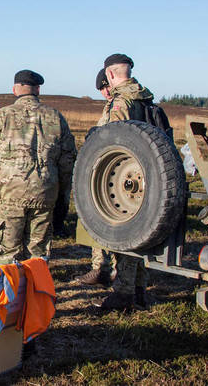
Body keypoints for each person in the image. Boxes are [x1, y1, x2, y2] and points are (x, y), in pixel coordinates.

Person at [0, 70, 77, 268]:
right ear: (37, 89)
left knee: (6, 255)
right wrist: (63, 196)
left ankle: (8, 297)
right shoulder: (55, 117)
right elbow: (67, 162)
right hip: (45, 194)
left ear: (14, 90)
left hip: (9, 195)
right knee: (37, 257)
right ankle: (35, 296)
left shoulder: (0, 117)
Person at [93, 53, 154, 310]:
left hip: (125, 179)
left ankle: (123, 294)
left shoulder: (121, 102)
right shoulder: (145, 98)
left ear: (109, 74)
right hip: (145, 174)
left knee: (124, 235)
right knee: (139, 235)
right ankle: (138, 290)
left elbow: (113, 142)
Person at [74, 68, 117, 287]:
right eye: (101, 89)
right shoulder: (111, 106)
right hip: (108, 172)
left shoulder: (122, 105)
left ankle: (111, 273)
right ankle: (101, 268)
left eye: (105, 87)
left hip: (116, 174)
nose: (104, 92)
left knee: (108, 225)